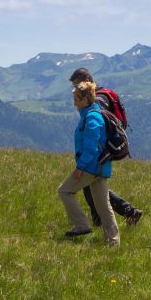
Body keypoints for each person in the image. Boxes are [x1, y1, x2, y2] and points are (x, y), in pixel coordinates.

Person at [69, 68, 143, 226]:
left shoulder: (96, 101)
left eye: (76, 85)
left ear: (86, 81)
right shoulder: (100, 96)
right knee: (94, 188)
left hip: (100, 152)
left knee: (93, 188)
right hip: (104, 151)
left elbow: (97, 129)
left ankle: (124, 213)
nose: (75, 90)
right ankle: (117, 216)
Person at [57, 81, 119, 245]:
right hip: (101, 167)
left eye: (76, 99)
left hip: (91, 167)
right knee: (104, 207)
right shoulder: (93, 114)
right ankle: (113, 242)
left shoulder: (92, 118)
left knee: (64, 191)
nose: (74, 103)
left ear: (85, 100)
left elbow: (91, 148)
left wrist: (80, 167)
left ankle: (81, 225)